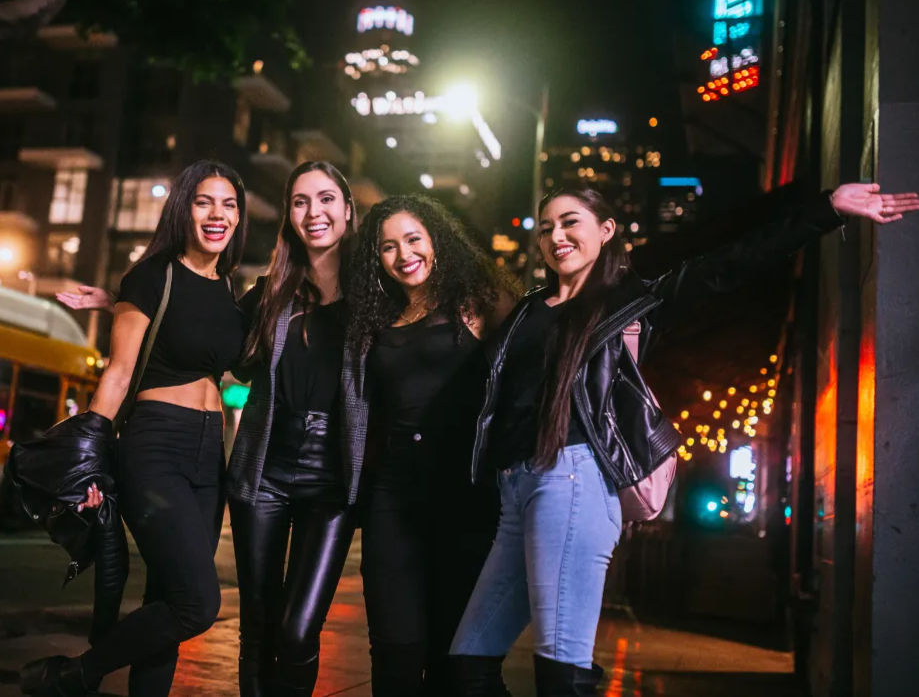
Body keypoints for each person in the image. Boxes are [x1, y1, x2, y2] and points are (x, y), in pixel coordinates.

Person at [448, 183, 919, 696]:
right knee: (468, 662)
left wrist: (825, 208)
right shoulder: (525, 311)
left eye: (569, 222)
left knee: (561, 669)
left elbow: (728, 264)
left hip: (574, 480)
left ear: (606, 232)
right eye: (546, 229)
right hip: (515, 490)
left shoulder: (632, 302)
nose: (555, 236)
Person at [22, 160, 249, 697]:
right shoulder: (152, 275)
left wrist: (110, 298)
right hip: (156, 445)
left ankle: (80, 677)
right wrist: (91, 462)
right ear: (183, 209)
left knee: (167, 601)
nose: (218, 214)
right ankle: (78, 673)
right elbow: (119, 374)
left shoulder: (228, 290)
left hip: (207, 455)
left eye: (229, 204)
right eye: (204, 202)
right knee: (198, 602)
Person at [341, 194, 519, 696]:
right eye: (388, 247)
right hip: (392, 501)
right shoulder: (373, 319)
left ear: (436, 240)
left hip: (465, 498)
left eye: (413, 239)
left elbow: (537, 358)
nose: (404, 255)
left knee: (453, 659)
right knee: (394, 656)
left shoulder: (477, 300)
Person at [227, 161, 356, 697]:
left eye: (326, 199)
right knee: (258, 624)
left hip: (332, 480)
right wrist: (126, 309)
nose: (314, 212)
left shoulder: (377, 296)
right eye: (300, 202)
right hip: (264, 470)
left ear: (349, 210)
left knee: (298, 630)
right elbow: (210, 343)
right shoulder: (270, 294)